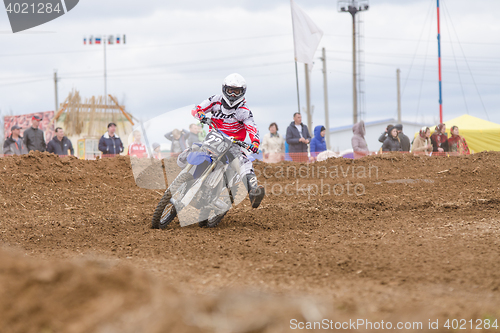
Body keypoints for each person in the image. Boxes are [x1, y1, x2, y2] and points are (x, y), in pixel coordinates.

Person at [192, 73, 265, 209]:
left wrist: (255, 142)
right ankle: (186, 177)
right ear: (224, 89)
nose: (232, 94)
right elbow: (198, 108)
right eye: (230, 90)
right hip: (214, 138)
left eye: (236, 91)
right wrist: (200, 114)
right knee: (193, 149)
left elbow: (252, 127)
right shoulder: (215, 100)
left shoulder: (244, 111)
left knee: (244, 162)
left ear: (242, 92)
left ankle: (254, 191)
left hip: (233, 144)